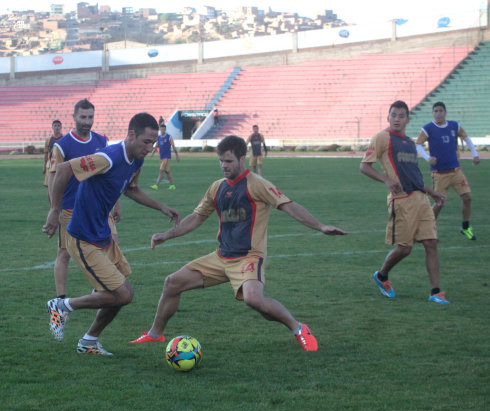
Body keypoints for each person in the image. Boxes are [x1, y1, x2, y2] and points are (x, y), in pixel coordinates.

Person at [131, 135, 347, 351]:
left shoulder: (257, 184)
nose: (224, 166)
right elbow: (197, 217)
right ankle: (155, 334)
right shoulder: (216, 188)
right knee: (172, 282)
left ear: (242, 158)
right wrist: (166, 235)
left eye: (229, 161)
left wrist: (320, 226)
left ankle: (299, 329)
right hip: (221, 257)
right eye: (221, 161)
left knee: (254, 300)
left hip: (249, 257)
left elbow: (289, 206)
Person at [42, 112, 181, 355]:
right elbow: (64, 170)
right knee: (122, 294)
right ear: (131, 135)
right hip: (83, 237)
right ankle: (62, 305)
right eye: (146, 142)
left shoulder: (136, 159)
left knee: (120, 294)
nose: (149, 148)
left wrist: (161, 206)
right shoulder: (107, 157)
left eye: (153, 143)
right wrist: (54, 211)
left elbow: (131, 190)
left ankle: (89, 341)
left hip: (103, 235)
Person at [360, 100, 450, 304]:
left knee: (431, 243)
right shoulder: (382, 138)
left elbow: (414, 175)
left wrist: (433, 193)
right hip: (402, 200)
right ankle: (382, 275)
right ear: (388, 117)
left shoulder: (409, 142)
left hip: (422, 199)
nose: (397, 119)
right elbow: (364, 166)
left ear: (408, 119)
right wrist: (386, 180)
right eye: (394, 115)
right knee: (405, 248)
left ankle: (435, 292)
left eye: (401, 116)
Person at [48, 99, 121, 300]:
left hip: (100, 208)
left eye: (90, 117)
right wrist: (54, 210)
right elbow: (53, 178)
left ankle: (100, 291)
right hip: (71, 208)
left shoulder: (102, 141)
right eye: (83, 117)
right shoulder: (62, 146)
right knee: (64, 253)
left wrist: (116, 204)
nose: (87, 121)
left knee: (112, 244)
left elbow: (110, 176)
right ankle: (60, 301)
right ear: (74, 117)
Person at [415, 101, 481, 240]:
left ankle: (465, 227)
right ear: (433, 113)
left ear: (445, 112)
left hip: (456, 171)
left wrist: (475, 154)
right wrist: (428, 158)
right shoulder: (428, 128)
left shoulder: (454, 126)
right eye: (435, 111)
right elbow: (418, 145)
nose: (438, 113)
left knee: (467, 197)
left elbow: (466, 137)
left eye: (440, 111)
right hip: (439, 174)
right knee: (439, 203)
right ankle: (428, 231)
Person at [149, 123, 179, 190]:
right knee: (167, 171)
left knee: (161, 170)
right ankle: (172, 185)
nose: (162, 130)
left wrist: (177, 155)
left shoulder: (169, 137)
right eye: (161, 129)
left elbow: (173, 146)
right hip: (161, 157)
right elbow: (156, 146)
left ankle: (156, 185)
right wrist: (152, 154)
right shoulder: (159, 138)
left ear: (165, 129)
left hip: (167, 156)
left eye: (163, 129)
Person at [43, 120, 63, 196]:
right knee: (50, 190)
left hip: (61, 165)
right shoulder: (48, 140)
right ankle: (52, 207)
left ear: (61, 127)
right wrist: (44, 166)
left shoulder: (64, 139)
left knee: (61, 188)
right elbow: (46, 153)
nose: (57, 127)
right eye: (55, 126)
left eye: (58, 126)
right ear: (52, 127)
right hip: (50, 166)